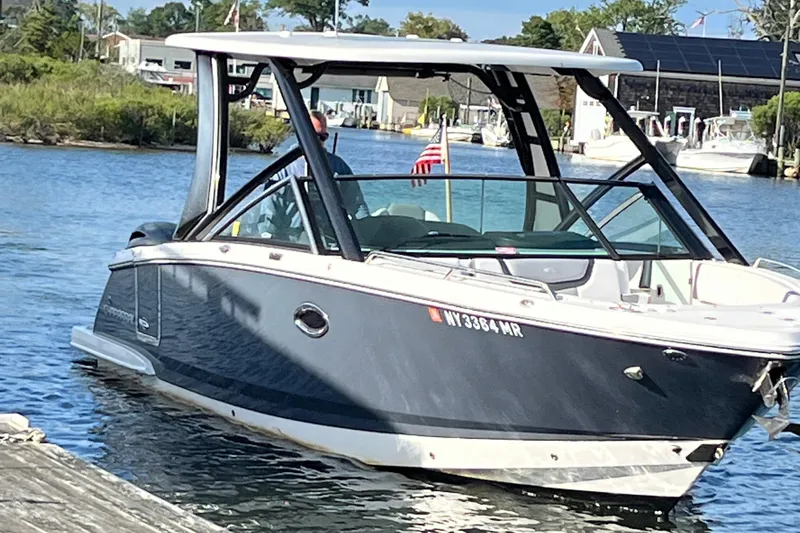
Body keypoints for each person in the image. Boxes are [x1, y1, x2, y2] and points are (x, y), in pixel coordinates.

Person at [240, 110, 369, 244]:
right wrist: (269, 240)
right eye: (314, 136)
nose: (318, 141)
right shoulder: (284, 167)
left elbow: (357, 205)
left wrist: (365, 231)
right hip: (293, 241)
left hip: (331, 241)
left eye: (323, 137)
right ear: (302, 134)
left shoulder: (339, 167)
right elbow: (270, 213)